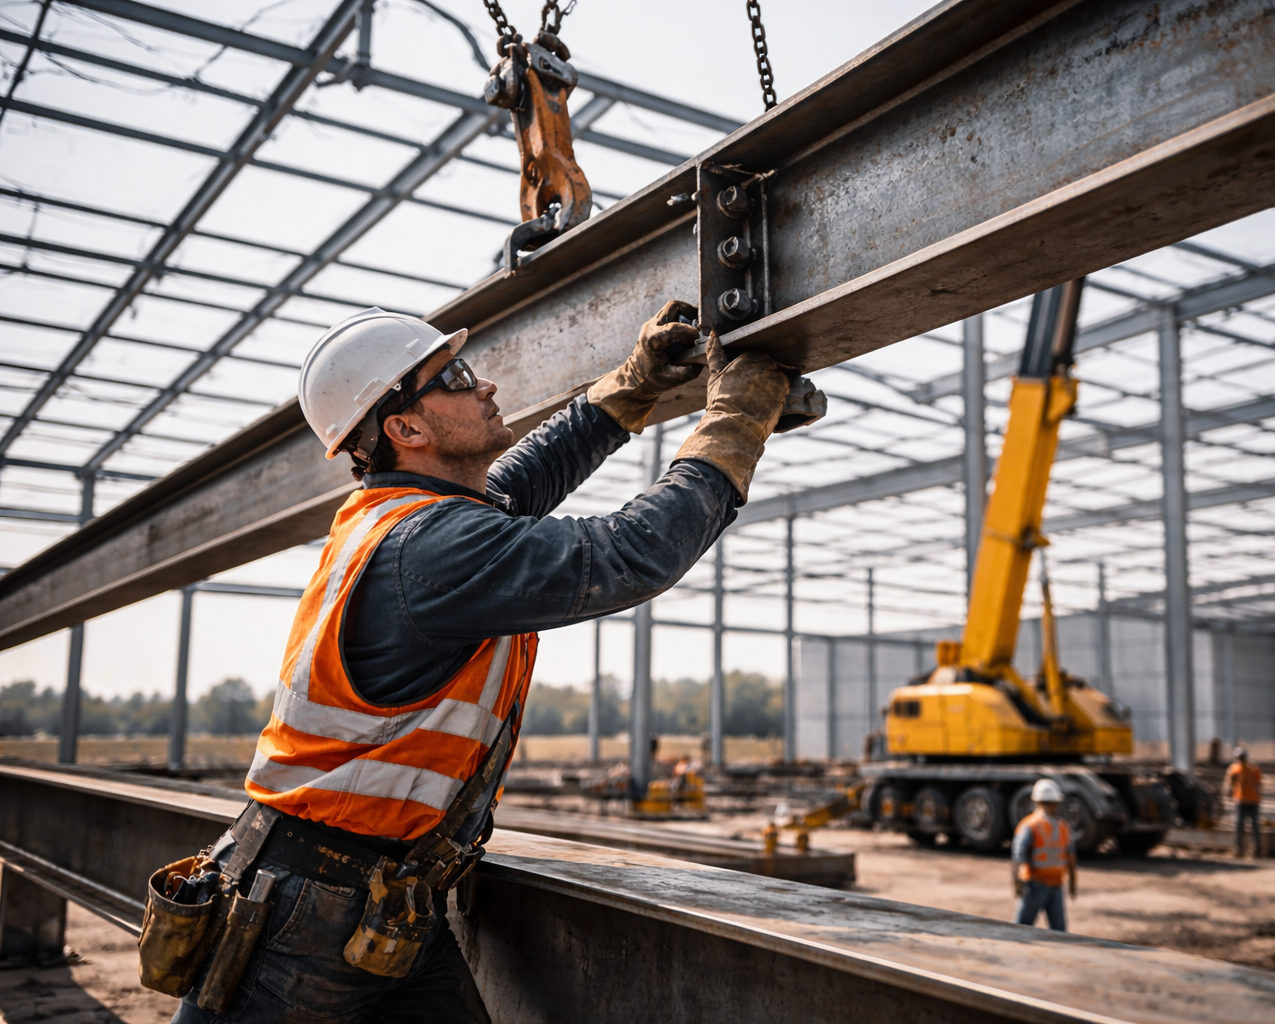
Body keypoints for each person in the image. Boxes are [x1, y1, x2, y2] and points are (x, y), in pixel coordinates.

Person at [170, 302, 809, 1023]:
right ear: (405, 428)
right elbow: (633, 552)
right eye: (457, 377)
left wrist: (636, 382)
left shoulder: (414, 518)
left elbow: (529, 475)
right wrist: (735, 419)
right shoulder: (429, 550)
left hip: (375, 900)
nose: (487, 387)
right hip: (300, 917)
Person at [1011, 778, 1077, 932]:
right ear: (1056, 802)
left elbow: (1017, 856)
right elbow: (1072, 858)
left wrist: (1017, 883)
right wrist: (1072, 884)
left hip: (1039, 884)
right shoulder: (1063, 827)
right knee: (1058, 931)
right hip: (1048, 884)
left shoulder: (1029, 825)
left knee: (1021, 929)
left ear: (1036, 800)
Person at [1228, 746, 1263, 858]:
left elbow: (1258, 784)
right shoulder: (1234, 769)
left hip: (1252, 801)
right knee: (1239, 825)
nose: (1240, 759)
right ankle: (1238, 849)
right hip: (1241, 801)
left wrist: (1259, 797)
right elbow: (1231, 784)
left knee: (1254, 826)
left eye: (1241, 757)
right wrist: (1229, 793)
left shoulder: (1253, 769)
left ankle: (1256, 849)